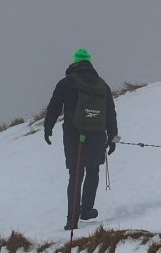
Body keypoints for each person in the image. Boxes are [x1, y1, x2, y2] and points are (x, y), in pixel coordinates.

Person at [44, 48, 118, 230]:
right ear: (89, 63)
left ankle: (72, 219)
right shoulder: (102, 85)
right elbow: (110, 113)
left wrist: (48, 128)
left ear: (74, 63)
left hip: (74, 136)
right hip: (98, 136)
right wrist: (113, 138)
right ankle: (86, 210)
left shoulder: (66, 83)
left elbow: (53, 107)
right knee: (93, 171)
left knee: (76, 174)